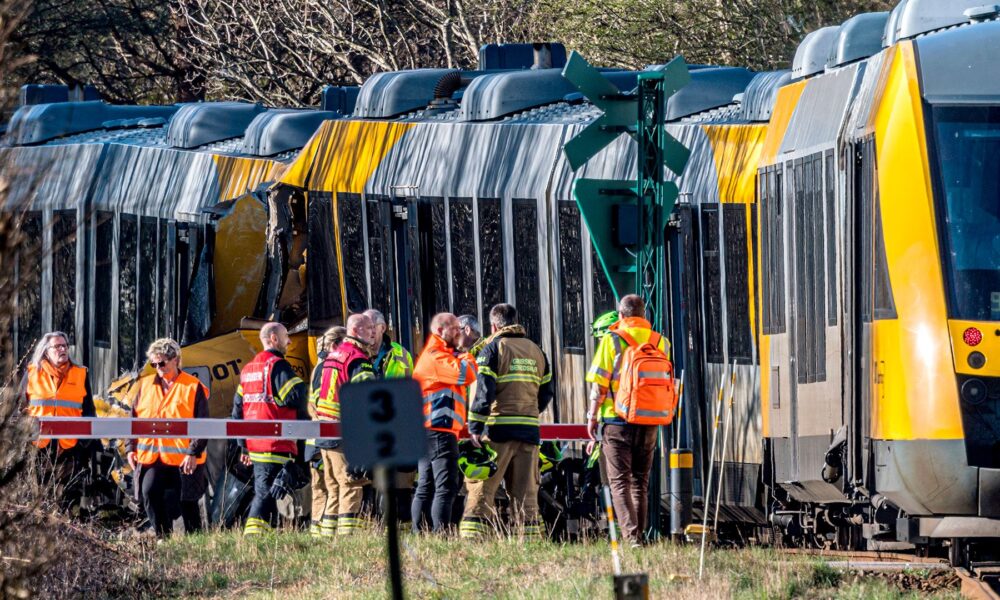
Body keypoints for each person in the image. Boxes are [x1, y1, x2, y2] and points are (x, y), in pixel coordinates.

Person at [460, 304, 553, 539]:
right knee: (526, 493)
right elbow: (546, 392)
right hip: (529, 431)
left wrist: (475, 427)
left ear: (493, 325)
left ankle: (473, 539)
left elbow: (484, 392)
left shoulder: (492, 350)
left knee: (483, 487)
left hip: (497, 430)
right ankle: (529, 540)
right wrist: (529, 412)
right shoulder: (536, 351)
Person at [585, 294, 671, 546]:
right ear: (644, 315)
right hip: (649, 420)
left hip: (616, 420)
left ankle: (632, 538)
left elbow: (600, 382)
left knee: (619, 481)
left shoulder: (613, 339)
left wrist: (592, 416)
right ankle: (639, 535)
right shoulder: (660, 341)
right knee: (639, 482)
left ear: (621, 316)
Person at [126, 338, 209, 537]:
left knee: (187, 502)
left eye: (161, 363)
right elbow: (132, 420)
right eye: (154, 364)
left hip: (184, 458)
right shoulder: (144, 386)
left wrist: (193, 452)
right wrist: (130, 448)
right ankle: (163, 537)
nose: (158, 368)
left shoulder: (193, 386)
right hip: (152, 457)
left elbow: (203, 425)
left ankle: (196, 545)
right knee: (149, 493)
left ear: (176, 360)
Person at [233, 322, 310, 536]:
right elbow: (296, 395)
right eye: (286, 336)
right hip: (276, 443)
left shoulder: (248, 370)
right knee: (266, 494)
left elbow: (236, 412)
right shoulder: (278, 366)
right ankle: (253, 538)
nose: (290, 341)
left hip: (256, 445)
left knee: (271, 491)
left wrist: (243, 446)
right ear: (274, 338)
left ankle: (266, 535)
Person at [411, 312, 477, 534]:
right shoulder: (436, 356)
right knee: (445, 487)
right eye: (455, 328)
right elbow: (466, 375)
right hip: (438, 430)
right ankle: (441, 534)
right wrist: (466, 353)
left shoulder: (439, 355)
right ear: (440, 330)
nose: (459, 332)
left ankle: (420, 532)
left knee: (426, 486)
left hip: (429, 431)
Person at [314, 314, 377, 535]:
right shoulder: (357, 359)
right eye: (369, 328)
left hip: (324, 430)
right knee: (352, 484)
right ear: (357, 330)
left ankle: (327, 537)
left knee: (333, 487)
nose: (374, 332)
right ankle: (348, 539)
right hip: (345, 432)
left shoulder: (334, 355)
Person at [21, 331, 95, 507]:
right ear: (46, 351)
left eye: (65, 346)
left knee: (69, 494)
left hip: (70, 445)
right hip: (39, 445)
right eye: (57, 346)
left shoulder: (80, 373)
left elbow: (89, 411)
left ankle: (67, 529)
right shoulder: (32, 373)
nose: (63, 349)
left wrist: (84, 444)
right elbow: (20, 407)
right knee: (39, 494)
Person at [308, 326, 346, 537]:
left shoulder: (318, 367)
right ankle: (329, 534)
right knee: (335, 487)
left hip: (316, 438)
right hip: (329, 436)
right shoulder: (331, 367)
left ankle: (318, 534)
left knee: (322, 489)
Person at [364, 308, 413, 378]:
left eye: (372, 327)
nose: (368, 332)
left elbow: (409, 385)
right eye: (364, 328)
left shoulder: (402, 353)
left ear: (383, 328)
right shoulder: (356, 354)